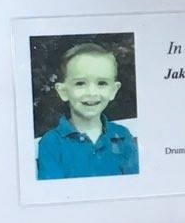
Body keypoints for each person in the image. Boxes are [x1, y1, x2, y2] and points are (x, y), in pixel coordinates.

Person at [35, 42, 139, 180]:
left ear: (114, 90)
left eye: (102, 83)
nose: (91, 92)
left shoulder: (122, 136)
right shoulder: (52, 143)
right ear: (63, 91)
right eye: (80, 83)